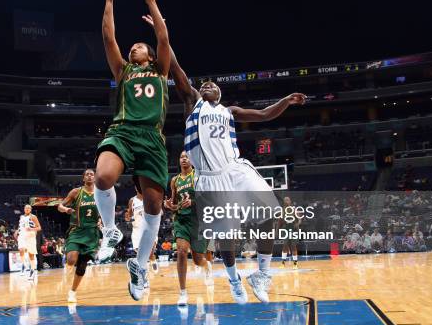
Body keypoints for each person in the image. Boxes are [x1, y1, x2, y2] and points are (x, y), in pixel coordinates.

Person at [164, 28, 305, 303]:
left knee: (271, 213)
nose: (206, 85)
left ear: (220, 92)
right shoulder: (193, 104)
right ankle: (233, 280)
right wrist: (161, 29)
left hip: (235, 169)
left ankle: (262, 274)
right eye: (202, 84)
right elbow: (175, 67)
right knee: (225, 240)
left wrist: (286, 101)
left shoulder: (231, 112)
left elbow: (265, 114)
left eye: (212, 84)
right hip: (207, 178)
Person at [96, 0, 171, 301]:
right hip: (124, 131)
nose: (133, 47)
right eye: (133, 46)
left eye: (140, 46)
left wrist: (152, 4)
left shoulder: (161, 70)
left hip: (152, 139)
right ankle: (110, 228)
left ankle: (140, 267)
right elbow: (108, 37)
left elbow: (165, 40)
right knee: (102, 177)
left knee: (154, 207)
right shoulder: (123, 70)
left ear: (150, 56)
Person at [164, 151, 213, 306]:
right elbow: (173, 202)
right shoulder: (175, 180)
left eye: (187, 156)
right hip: (181, 220)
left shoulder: (199, 177)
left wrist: (193, 202)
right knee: (181, 252)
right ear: (179, 161)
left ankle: (207, 265)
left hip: (198, 221)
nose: (184, 158)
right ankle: (183, 293)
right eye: (181, 156)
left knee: (198, 260)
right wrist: (169, 205)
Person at [58, 169, 100, 304]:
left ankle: (72, 292)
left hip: (92, 232)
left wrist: (101, 219)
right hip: (77, 230)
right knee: (71, 259)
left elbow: (106, 210)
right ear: (83, 178)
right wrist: (66, 209)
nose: (89, 176)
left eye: (92, 174)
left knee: (82, 266)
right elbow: (59, 206)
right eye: (87, 174)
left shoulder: (100, 193)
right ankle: (67, 269)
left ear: (95, 177)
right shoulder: (76, 192)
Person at [125, 184, 158, 273]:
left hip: (150, 226)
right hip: (137, 229)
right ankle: (148, 264)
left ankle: (152, 258)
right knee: (141, 255)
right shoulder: (132, 200)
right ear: (135, 188)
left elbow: (158, 212)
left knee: (150, 250)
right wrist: (128, 217)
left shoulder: (150, 197)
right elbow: (130, 215)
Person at [15, 205, 42, 280]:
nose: (27, 209)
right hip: (22, 235)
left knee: (31, 255)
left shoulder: (33, 217)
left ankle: (32, 270)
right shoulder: (21, 217)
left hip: (31, 236)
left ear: (31, 209)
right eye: (26, 208)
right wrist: (17, 231)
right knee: (21, 249)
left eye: (28, 208)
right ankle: (23, 265)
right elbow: (20, 226)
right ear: (24, 209)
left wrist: (31, 229)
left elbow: (39, 227)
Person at [278, 196, 301, 269]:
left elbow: (300, 219)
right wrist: (277, 230)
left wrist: (297, 224)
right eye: (285, 200)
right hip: (286, 229)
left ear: (290, 201)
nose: (286, 201)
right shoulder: (282, 210)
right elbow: (279, 221)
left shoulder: (294, 210)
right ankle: (283, 263)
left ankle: (295, 264)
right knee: (285, 246)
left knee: (293, 246)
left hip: (293, 229)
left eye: (287, 200)